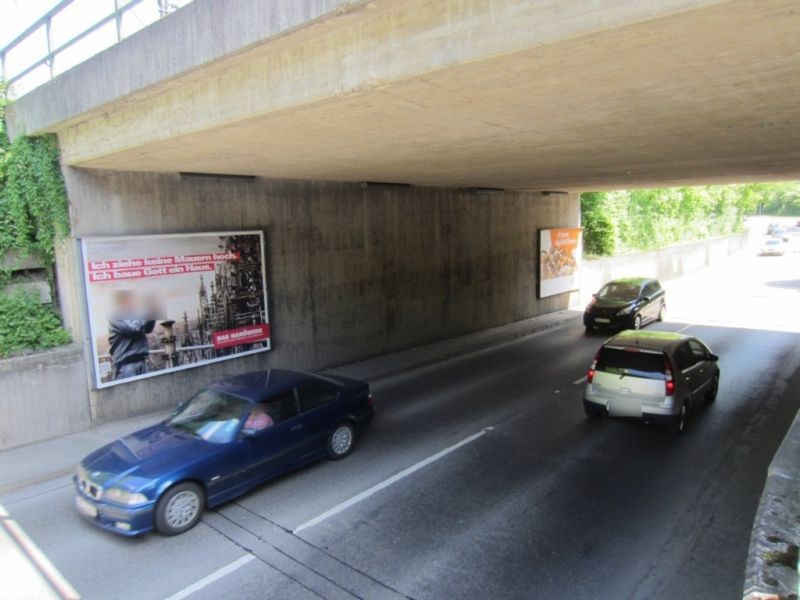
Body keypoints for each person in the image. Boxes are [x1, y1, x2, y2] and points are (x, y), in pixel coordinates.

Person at [108, 290, 156, 380]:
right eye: (129, 299)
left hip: (141, 362)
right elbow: (134, 327)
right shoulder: (116, 316)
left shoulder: (133, 315)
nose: (133, 302)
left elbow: (148, 329)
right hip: (127, 366)